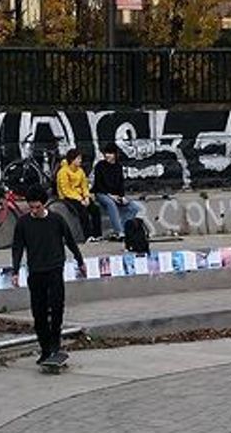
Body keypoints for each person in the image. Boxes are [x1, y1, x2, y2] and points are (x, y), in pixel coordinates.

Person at [11, 185, 86, 365]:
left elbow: (69, 240)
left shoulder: (56, 220)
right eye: (31, 207)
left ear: (44, 205)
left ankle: (55, 344)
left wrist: (80, 261)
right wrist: (15, 271)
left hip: (54, 269)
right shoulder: (23, 223)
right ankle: (45, 349)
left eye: (37, 207)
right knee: (39, 313)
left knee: (56, 307)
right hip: (36, 271)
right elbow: (18, 247)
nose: (34, 211)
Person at [92, 141, 141, 240]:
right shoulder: (100, 166)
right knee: (111, 204)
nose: (107, 156)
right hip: (102, 193)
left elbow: (120, 184)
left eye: (110, 153)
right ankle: (119, 232)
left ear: (115, 154)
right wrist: (111, 196)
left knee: (134, 207)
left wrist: (122, 197)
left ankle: (122, 228)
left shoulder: (118, 167)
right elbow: (98, 185)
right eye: (106, 153)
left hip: (115, 195)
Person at [55, 147, 100, 239]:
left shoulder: (80, 170)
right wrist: (80, 199)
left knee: (95, 209)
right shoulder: (63, 172)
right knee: (83, 211)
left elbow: (84, 185)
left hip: (81, 196)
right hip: (67, 197)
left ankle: (97, 234)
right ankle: (88, 236)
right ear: (72, 160)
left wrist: (86, 197)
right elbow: (66, 190)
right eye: (78, 158)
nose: (80, 160)